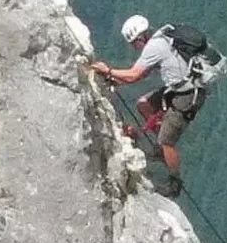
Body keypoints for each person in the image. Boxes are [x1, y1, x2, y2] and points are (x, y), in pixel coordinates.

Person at [89, 14, 208, 197]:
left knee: (166, 141)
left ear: (140, 38)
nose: (134, 48)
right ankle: (162, 150)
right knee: (144, 104)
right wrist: (115, 78)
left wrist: (109, 71)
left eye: (133, 43)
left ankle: (174, 180)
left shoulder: (154, 47)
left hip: (187, 95)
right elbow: (142, 74)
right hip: (182, 87)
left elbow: (134, 75)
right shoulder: (163, 38)